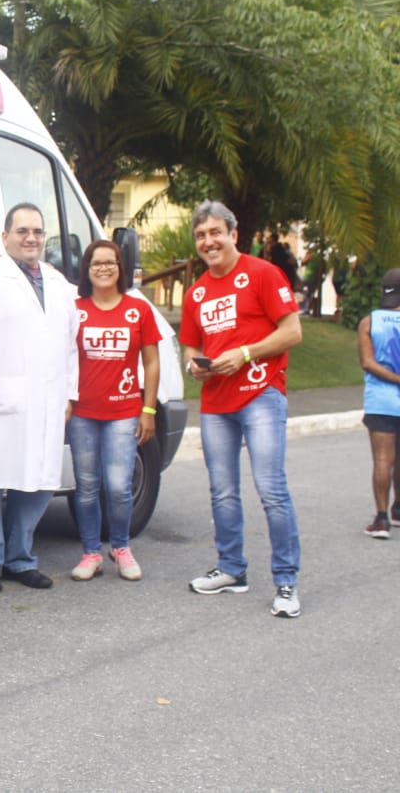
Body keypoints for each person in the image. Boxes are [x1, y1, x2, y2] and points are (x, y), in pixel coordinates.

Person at [180, 200, 303, 618]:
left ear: (233, 234)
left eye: (216, 232)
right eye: (201, 235)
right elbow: (191, 346)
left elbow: (292, 331)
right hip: (216, 402)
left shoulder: (263, 273)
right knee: (223, 491)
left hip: (261, 392)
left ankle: (286, 582)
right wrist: (193, 366)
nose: (208, 242)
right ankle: (231, 568)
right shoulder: (196, 292)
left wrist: (246, 353)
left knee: (271, 489)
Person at [0, 202, 78, 593]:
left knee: (39, 480)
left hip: (48, 400)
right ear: (5, 236)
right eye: (22, 231)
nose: (31, 238)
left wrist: (70, 394)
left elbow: (71, 344)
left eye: (38, 231)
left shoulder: (58, 282)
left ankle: (19, 558)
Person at [68, 240, 161, 582]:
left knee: (120, 486)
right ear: (87, 269)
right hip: (83, 413)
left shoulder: (138, 309)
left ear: (121, 269)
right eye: (97, 263)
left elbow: (151, 362)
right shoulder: (75, 309)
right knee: (86, 486)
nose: (104, 268)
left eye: (110, 262)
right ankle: (91, 552)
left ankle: (121, 547)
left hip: (124, 411)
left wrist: (148, 409)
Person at [357, 268, 400, 538]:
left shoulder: (369, 322)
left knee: (383, 459)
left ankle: (381, 519)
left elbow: (367, 363)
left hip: (381, 400)